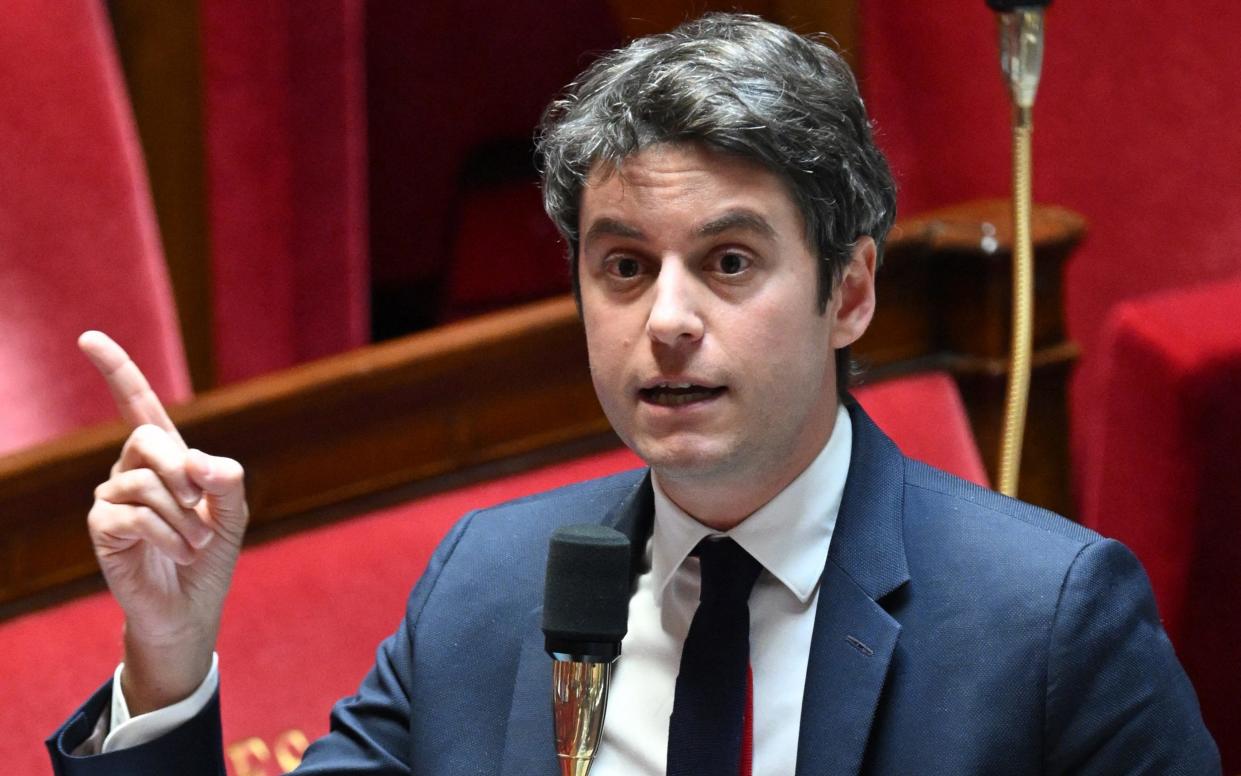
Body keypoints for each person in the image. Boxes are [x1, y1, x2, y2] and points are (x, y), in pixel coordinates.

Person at [48, 13, 1218, 775]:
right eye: (622, 265)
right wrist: (167, 651)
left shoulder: (1050, 621)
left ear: (849, 290)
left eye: (726, 262)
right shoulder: (487, 589)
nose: (664, 318)